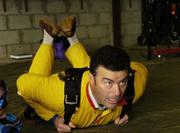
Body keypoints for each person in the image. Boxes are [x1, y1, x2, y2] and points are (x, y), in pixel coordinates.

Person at [16, 16, 148, 132]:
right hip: (66, 87)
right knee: (35, 78)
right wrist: (53, 119)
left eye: (122, 82)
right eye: (109, 82)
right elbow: (23, 86)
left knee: (92, 68)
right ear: (91, 79)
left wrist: (126, 110)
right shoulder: (58, 96)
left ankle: (71, 37)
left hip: (89, 75)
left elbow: (141, 68)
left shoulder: (130, 90)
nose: (117, 93)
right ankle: (48, 37)